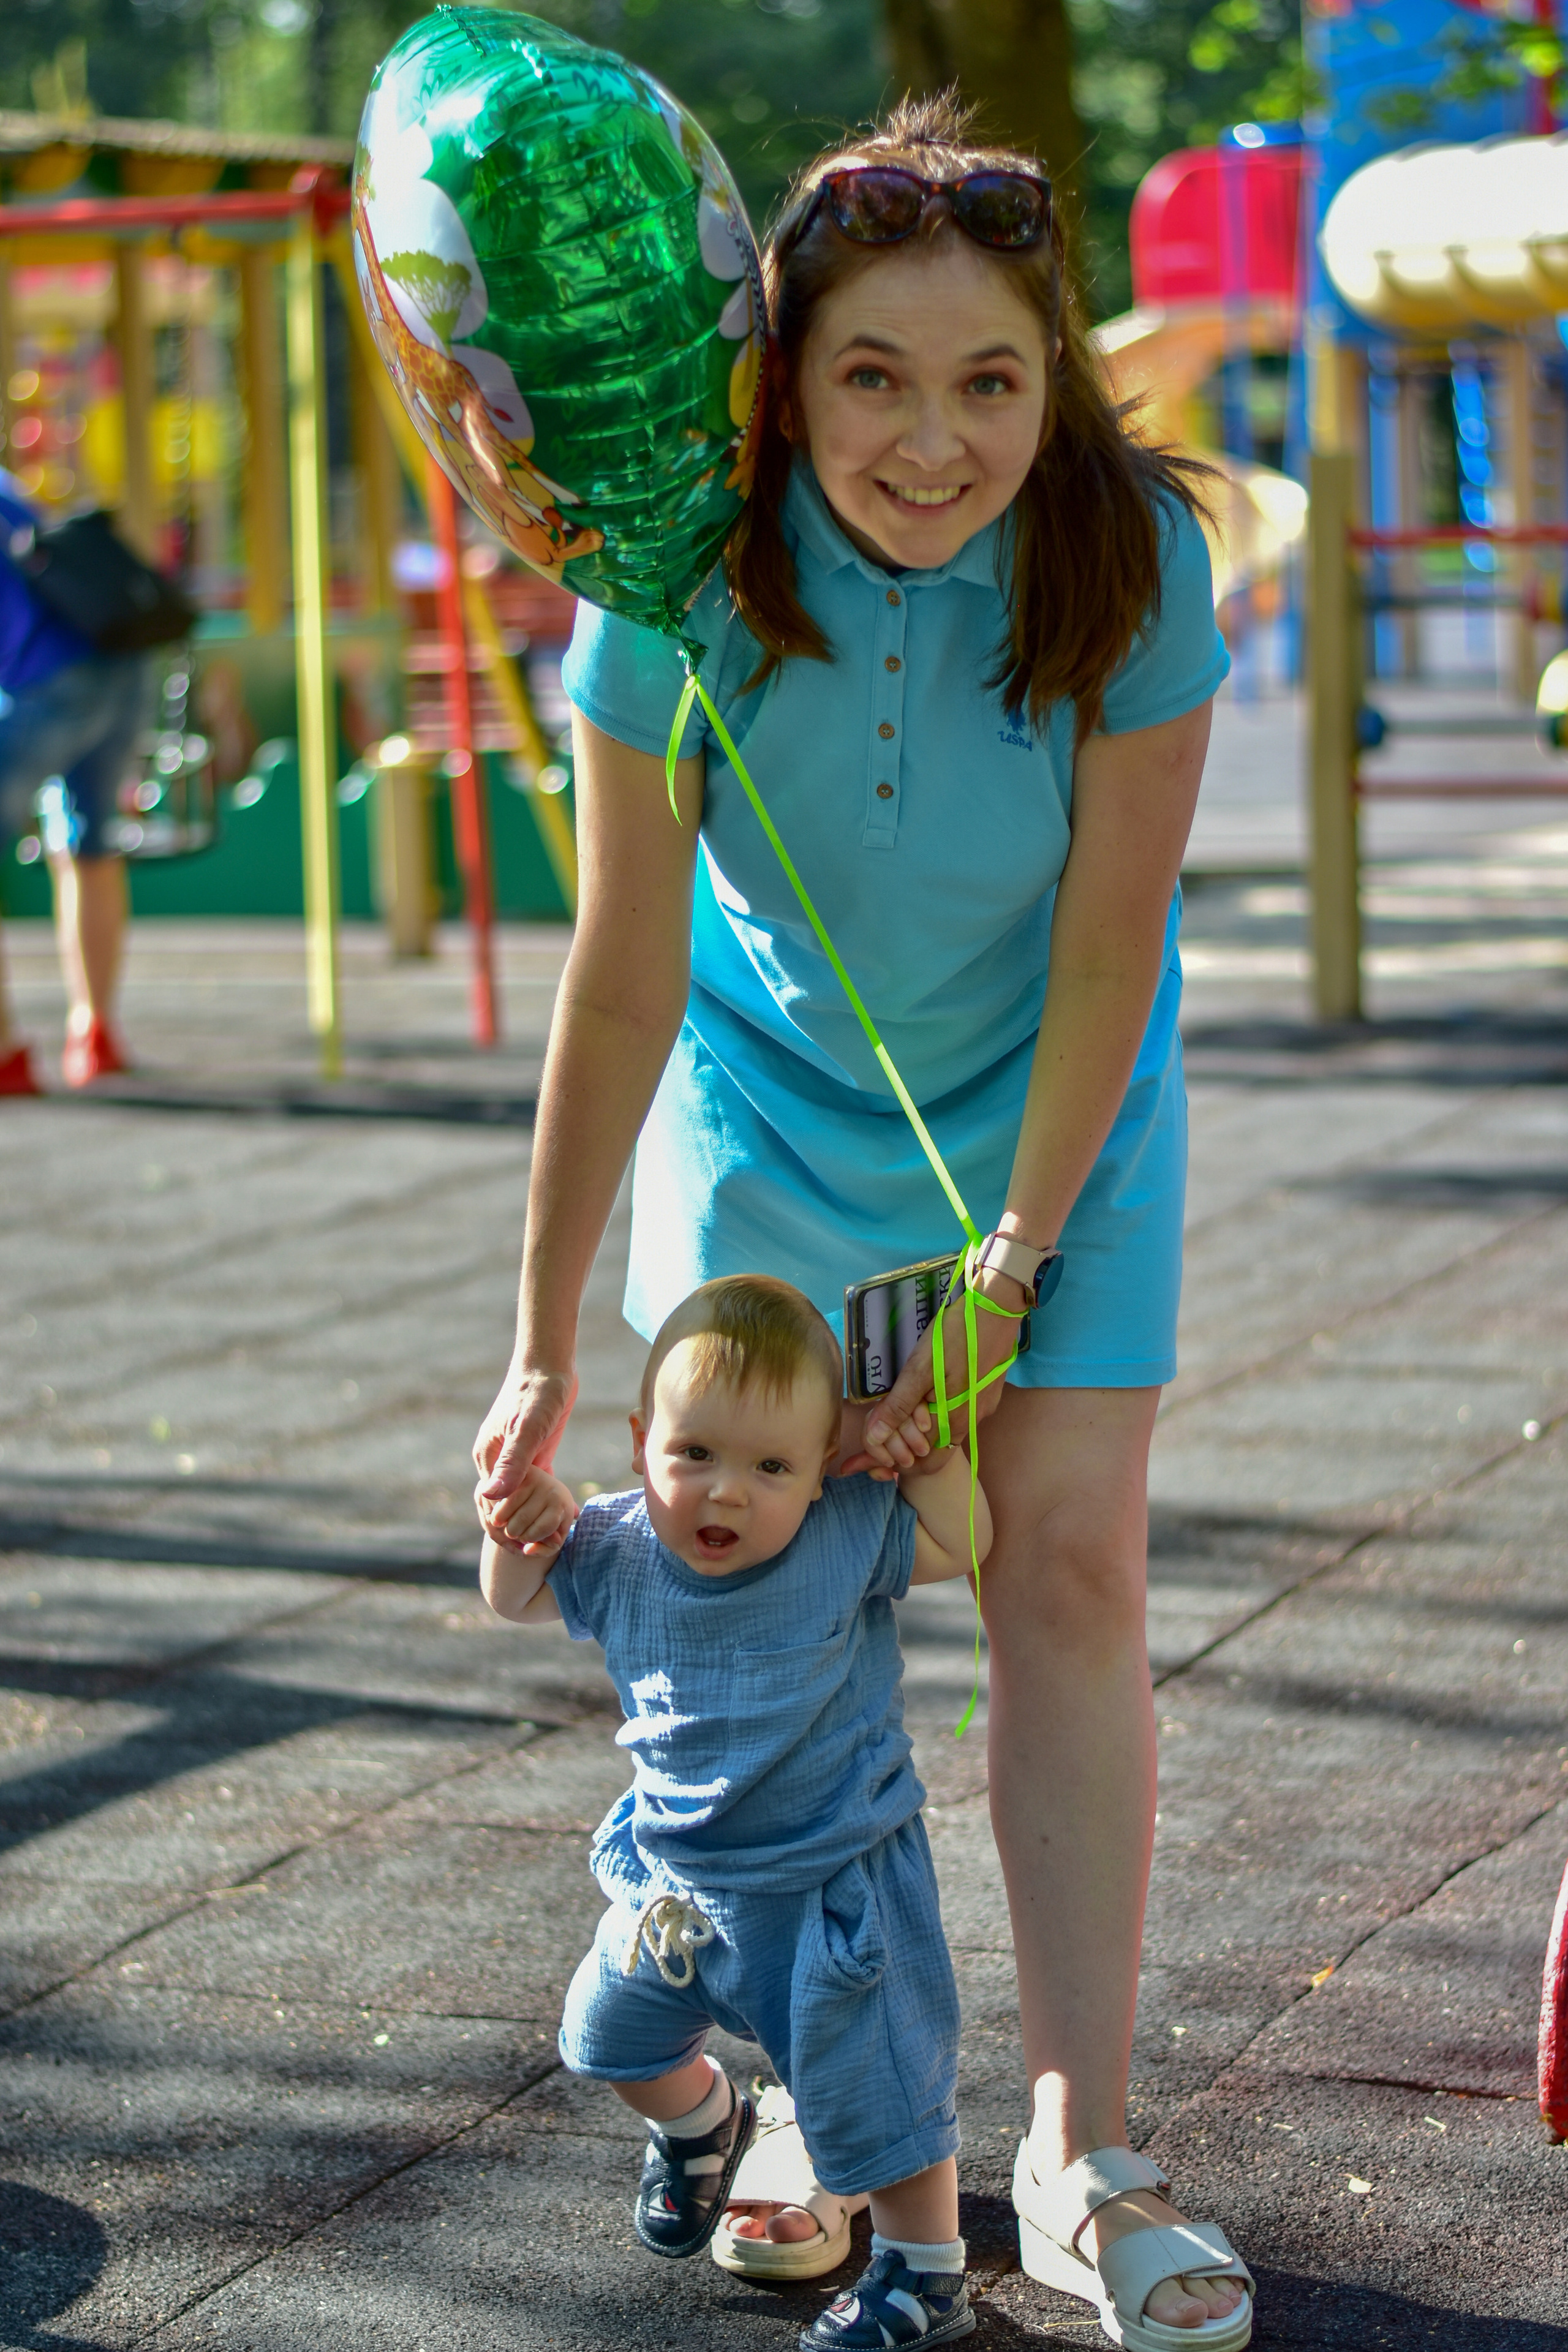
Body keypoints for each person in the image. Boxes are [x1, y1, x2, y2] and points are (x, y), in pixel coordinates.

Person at [475, 91, 1256, 2351]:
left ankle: (1081, 2149)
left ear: (1051, 377)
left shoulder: (1132, 560)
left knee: (1062, 1566)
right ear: (787, 381)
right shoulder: (675, 575)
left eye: (988, 379)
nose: (933, 440)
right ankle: (823, 2103)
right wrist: (541, 1342)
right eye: (873, 379)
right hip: (764, 1119)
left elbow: (1108, 950)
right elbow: (621, 972)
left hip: (1055, 1119)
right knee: (790, 1609)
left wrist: (1009, 1263)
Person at [482, 1274, 989, 2350]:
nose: (726, 1494)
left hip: (830, 1886)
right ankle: (704, 2119)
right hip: (677, 1891)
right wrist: (518, 1523)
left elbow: (962, 1546)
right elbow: (514, 1596)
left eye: (770, 1468)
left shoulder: (843, 1534)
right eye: (696, 1454)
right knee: (606, 2037)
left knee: (875, 2094)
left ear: (823, 1470)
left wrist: (934, 1465)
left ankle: (926, 2270)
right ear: (640, 1443)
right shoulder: (613, 1545)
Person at [0, 467, 148, 1096]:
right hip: (118, 661)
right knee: (89, 841)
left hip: (48, 680)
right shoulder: (6, 487)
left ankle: (5, 1055)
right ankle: (95, 1033)